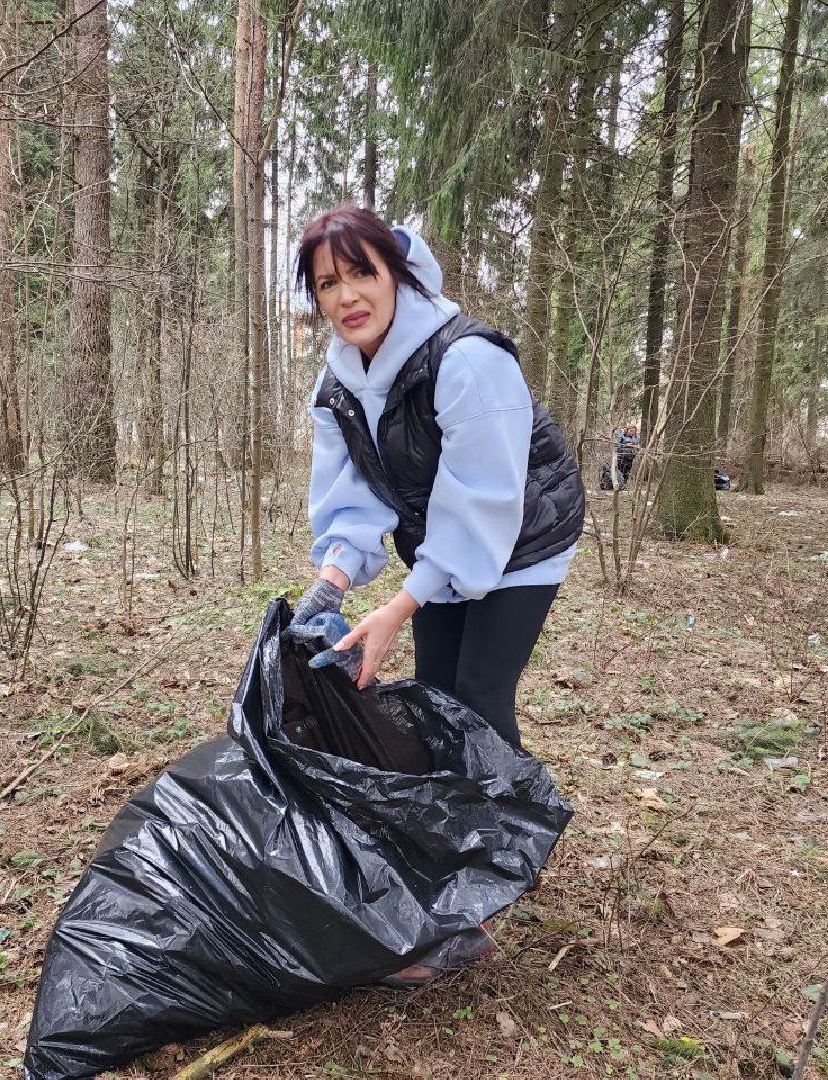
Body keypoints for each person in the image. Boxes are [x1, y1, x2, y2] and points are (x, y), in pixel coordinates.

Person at [288, 206, 585, 984]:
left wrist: (398, 607)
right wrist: (333, 582)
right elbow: (353, 500)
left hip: (521, 538)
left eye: (362, 272)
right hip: (442, 540)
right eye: (328, 282)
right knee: (435, 698)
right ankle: (456, 851)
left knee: (478, 694)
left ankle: (504, 860)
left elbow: (481, 504)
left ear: (398, 273)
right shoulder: (342, 384)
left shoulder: (467, 360)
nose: (347, 295)